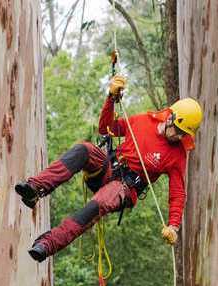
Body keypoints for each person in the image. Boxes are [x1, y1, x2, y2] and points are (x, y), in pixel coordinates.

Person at [15, 75, 201, 262]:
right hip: (107, 168)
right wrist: (111, 98)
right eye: (178, 130)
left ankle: (48, 244)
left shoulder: (177, 155)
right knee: (84, 149)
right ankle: (35, 189)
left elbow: (178, 193)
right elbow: (106, 128)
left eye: (184, 134)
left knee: (101, 201)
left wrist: (173, 226)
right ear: (170, 118)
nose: (179, 137)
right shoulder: (143, 121)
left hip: (124, 188)